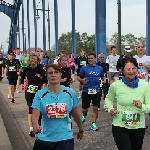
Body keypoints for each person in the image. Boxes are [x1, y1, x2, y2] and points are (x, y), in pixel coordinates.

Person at [32, 64, 83, 150]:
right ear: (47, 76)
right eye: (50, 73)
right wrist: (35, 125)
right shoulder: (40, 94)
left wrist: (81, 129)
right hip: (45, 138)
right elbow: (35, 114)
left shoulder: (70, 93)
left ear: (60, 75)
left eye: (56, 72)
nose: (53, 75)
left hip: (65, 138)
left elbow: (75, 114)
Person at [105, 57, 150, 150]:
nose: (131, 71)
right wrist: (110, 109)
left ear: (137, 69)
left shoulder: (144, 85)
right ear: (122, 70)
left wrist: (142, 106)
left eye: (133, 68)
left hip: (138, 127)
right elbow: (108, 99)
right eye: (128, 69)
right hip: (120, 126)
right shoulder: (116, 85)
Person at [20, 52, 47, 137]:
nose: (33, 60)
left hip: (38, 92)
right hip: (28, 91)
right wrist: (22, 83)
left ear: (37, 60)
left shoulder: (40, 69)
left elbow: (46, 80)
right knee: (30, 109)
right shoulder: (26, 68)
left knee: (37, 109)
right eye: (31, 58)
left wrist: (41, 77)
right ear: (29, 59)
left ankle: (38, 125)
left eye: (35, 58)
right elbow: (22, 76)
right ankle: (31, 129)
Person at [77, 53, 106, 131]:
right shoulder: (84, 68)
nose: (90, 60)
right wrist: (81, 80)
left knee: (95, 108)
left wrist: (104, 80)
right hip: (86, 90)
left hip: (97, 90)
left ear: (95, 59)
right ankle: (84, 115)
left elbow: (103, 77)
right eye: (88, 58)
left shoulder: (99, 68)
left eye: (91, 58)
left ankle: (93, 123)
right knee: (85, 109)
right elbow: (78, 77)